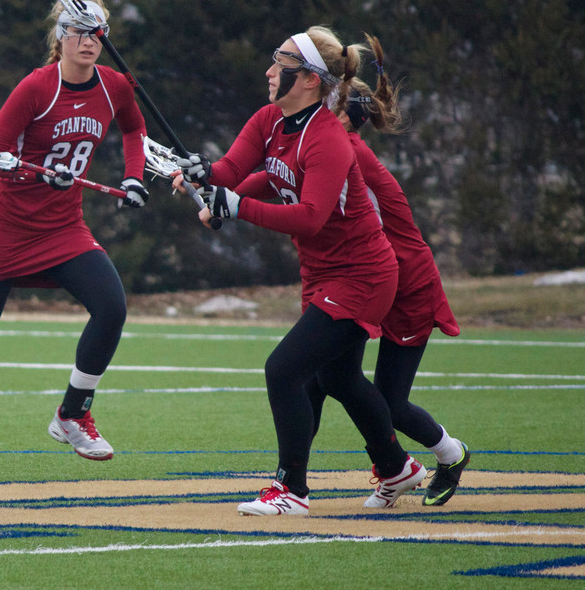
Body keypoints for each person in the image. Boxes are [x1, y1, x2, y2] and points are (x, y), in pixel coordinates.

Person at [175, 26, 425, 515]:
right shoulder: (270, 119)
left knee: (284, 370)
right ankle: (397, 467)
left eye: (282, 64)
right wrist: (202, 173)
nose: (270, 72)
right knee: (339, 379)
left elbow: (311, 217)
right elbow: (230, 171)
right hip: (322, 273)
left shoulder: (328, 138)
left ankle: (292, 490)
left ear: (310, 79)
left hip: (363, 274)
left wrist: (235, 206)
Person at [0, 0, 149, 461]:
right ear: (60, 36)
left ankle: (72, 414)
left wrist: (133, 177)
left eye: (97, 32)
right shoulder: (36, 87)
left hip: (64, 229)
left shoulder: (115, 86)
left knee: (111, 307)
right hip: (6, 229)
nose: (88, 41)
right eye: (78, 31)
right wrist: (36, 172)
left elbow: (134, 129)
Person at [305, 35, 469, 507]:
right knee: (324, 376)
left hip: (407, 285)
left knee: (387, 400)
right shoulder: (339, 145)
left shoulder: (345, 151)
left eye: (326, 103)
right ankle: (385, 470)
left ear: (342, 116)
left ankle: (449, 453)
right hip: (376, 279)